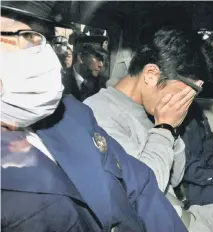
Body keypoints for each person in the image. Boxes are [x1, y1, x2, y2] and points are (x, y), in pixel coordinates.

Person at [1, 2, 187, 231]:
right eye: (27, 36)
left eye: (47, 38)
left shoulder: (73, 114)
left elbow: (142, 186)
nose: (45, 53)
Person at [84, 28, 213, 232]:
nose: (187, 104)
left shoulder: (149, 108)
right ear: (151, 74)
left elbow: (175, 176)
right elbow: (142, 192)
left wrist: (170, 128)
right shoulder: (99, 114)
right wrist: (165, 128)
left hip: (183, 216)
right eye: (185, 94)